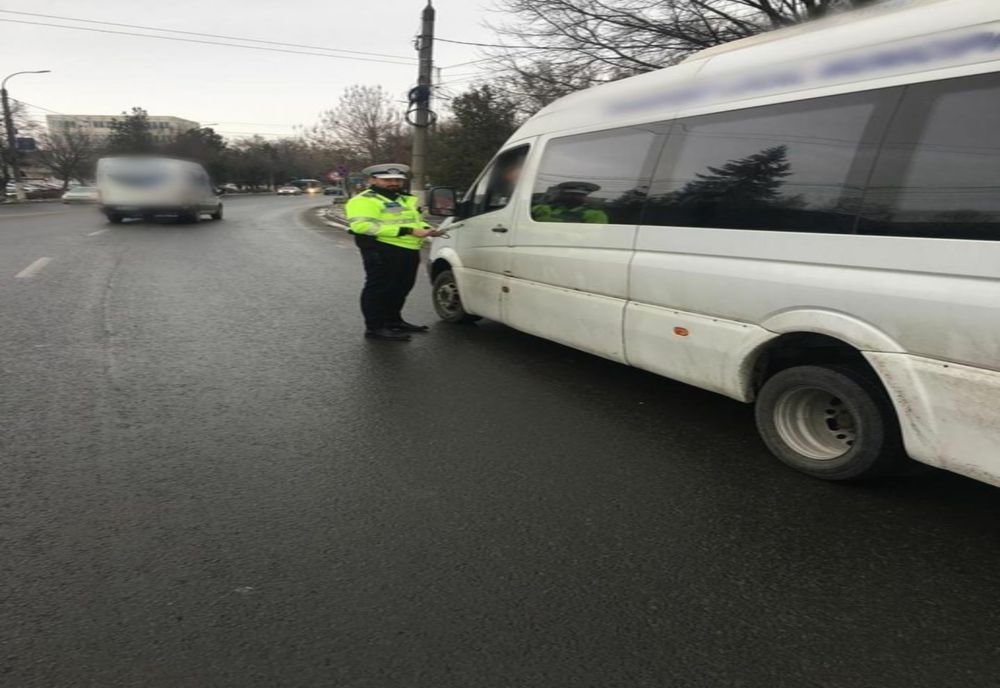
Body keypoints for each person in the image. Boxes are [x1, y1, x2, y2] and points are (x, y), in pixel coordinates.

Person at [345, 163, 442, 341]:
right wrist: (408, 231)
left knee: (401, 287)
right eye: (387, 179)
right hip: (382, 249)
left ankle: (393, 321)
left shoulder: (402, 199)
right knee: (380, 289)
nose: (394, 183)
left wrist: (427, 228)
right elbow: (362, 226)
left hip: (408, 248)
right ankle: (375, 328)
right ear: (373, 180)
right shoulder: (364, 200)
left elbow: (412, 221)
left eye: (397, 179)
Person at [531, 181, 610, 224]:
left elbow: (594, 237)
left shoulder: (596, 214)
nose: (573, 198)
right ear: (562, 195)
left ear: (584, 197)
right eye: (569, 195)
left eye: (578, 196)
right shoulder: (544, 208)